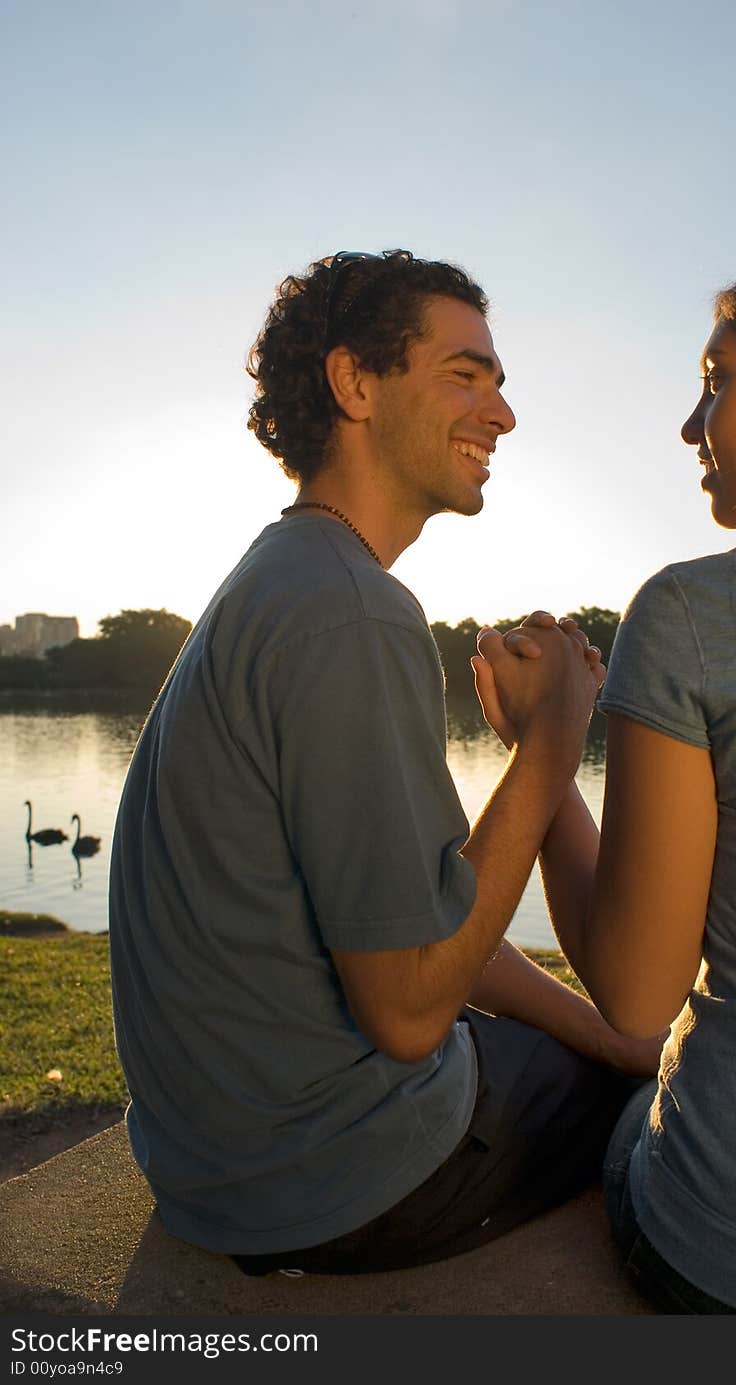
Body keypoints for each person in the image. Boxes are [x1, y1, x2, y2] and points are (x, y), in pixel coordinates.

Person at [108, 248, 660, 1278]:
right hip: (341, 1177)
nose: (501, 414)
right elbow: (410, 1009)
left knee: (616, 1051)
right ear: (355, 382)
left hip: (218, 1163)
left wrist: (611, 1032)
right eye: (466, 373)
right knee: (676, 1120)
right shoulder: (353, 610)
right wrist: (553, 735)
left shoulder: (287, 579)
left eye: (498, 381)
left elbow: (424, 922)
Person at [474, 237, 736, 1314]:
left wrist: (545, 750)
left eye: (716, 384)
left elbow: (636, 991)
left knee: (625, 1096)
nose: (690, 426)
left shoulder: (697, 612)